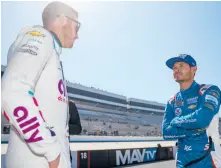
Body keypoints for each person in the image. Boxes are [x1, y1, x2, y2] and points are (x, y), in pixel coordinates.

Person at [1, 1, 80, 168]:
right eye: (77, 27)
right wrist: (50, 151)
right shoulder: (40, 37)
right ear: (62, 20)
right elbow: (12, 91)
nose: (77, 35)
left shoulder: (52, 52)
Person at [162, 54, 221, 167]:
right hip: (182, 160)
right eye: (174, 68)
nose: (177, 69)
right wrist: (194, 130)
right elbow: (166, 133)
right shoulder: (171, 101)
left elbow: (202, 119)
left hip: (207, 158)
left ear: (194, 69)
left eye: (181, 65)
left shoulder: (210, 90)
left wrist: (176, 121)